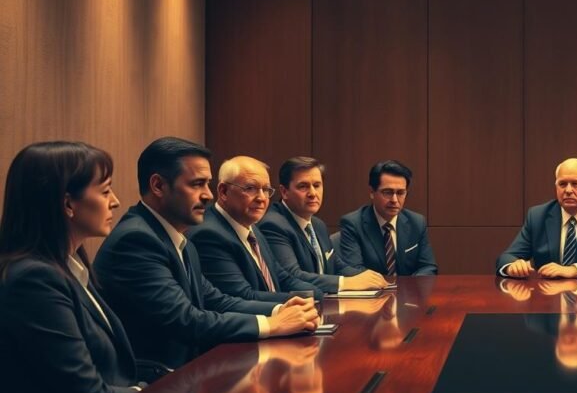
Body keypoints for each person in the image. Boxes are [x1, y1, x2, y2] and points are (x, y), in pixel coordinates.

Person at [94, 137, 318, 368]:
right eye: (196, 184)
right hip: (155, 384)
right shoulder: (137, 240)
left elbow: (216, 300)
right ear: (158, 186)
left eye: (207, 184)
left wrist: (283, 309)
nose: (208, 195)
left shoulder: (178, 238)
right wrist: (272, 325)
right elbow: (186, 320)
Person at [0, 141, 140, 393]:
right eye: (104, 191)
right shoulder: (34, 279)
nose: (115, 201)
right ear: (67, 204)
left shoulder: (67, 265)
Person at [189, 156, 319, 302]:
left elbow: (283, 278)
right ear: (223, 191)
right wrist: (301, 301)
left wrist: (316, 295)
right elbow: (243, 296)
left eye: (266, 190)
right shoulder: (209, 235)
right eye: (250, 188)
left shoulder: (252, 227)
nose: (262, 198)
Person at [260, 157, 386, 293]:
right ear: (284, 192)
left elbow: (336, 266)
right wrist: (346, 282)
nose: (313, 193)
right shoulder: (273, 225)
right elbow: (292, 275)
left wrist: (366, 277)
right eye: (303, 186)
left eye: (317, 185)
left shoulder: (317, 224)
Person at [337, 160, 438, 277]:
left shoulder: (416, 222)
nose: (394, 200)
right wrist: (386, 287)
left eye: (400, 193)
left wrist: (409, 288)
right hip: (374, 292)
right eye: (388, 192)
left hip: (409, 293)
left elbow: (428, 267)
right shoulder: (353, 224)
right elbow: (354, 271)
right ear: (372, 192)